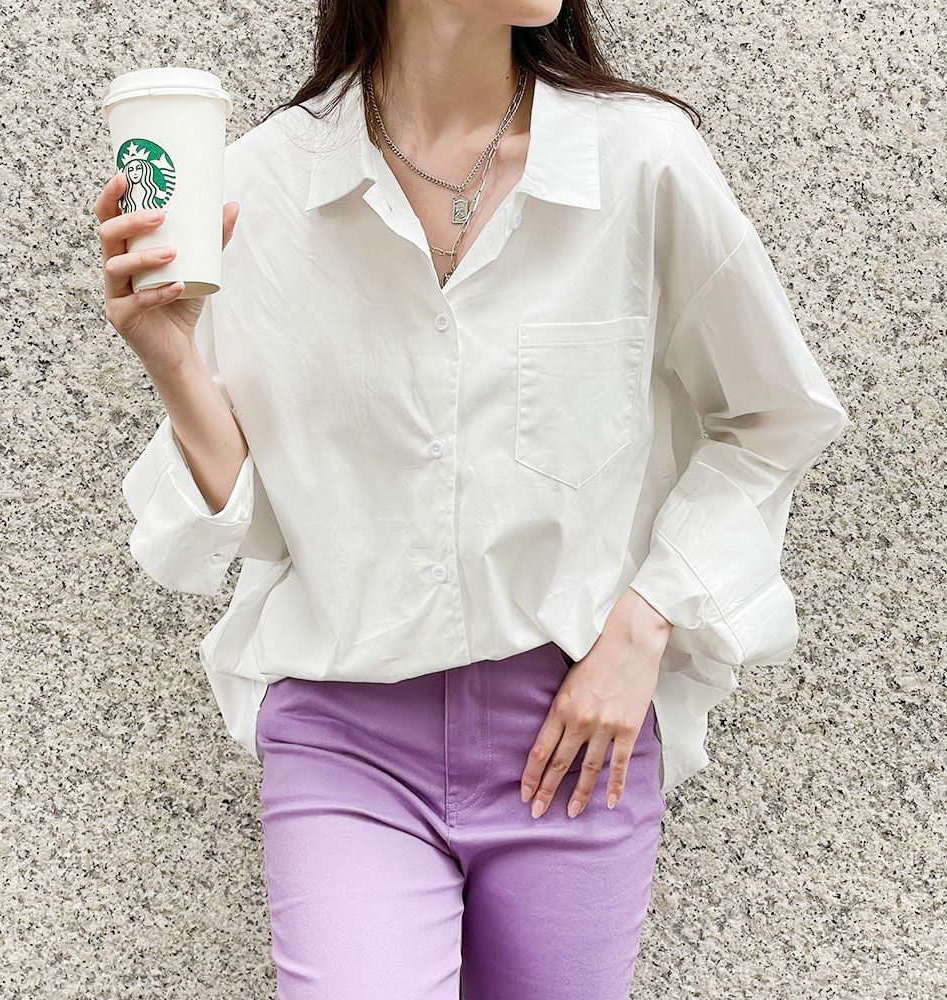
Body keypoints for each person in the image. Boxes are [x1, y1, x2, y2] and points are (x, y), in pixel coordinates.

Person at [94, 2, 850, 997]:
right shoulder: (259, 185)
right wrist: (173, 359)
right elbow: (225, 525)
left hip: (575, 732)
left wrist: (644, 625)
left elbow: (772, 417)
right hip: (345, 735)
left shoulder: (639, 161)